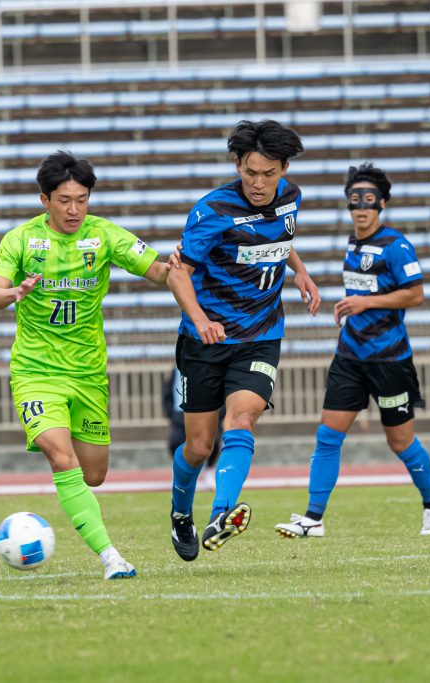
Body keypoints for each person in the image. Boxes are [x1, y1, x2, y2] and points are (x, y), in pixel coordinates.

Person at [0, 151, 172, 580]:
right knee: (60, 457)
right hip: (36, 372)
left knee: (95, 474)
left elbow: (159, 272)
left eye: (82, 200)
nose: (74, 210)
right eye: (64, 200)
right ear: (44, 200)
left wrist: (179, 265)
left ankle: (81, 505)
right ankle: (111, 557)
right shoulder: (20, 240)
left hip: (87, 373)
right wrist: (14, 292)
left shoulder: (104, 235)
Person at [166, 119, 321, 561]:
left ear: (284, 170)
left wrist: (300, 271)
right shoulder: (212, 210)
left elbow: (280, 237)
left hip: (261, 334)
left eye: (269, 174)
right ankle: (180, 513)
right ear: (237, 165)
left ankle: (221, 514)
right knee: (199, 446)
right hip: (205, 340)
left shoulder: (291, 198)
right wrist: (200, 320)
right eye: (250, 172)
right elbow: (178, 273)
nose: (258, 183)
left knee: (243, 418)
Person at [274, 163, 430, 539]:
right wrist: (352, 306)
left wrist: (366, 303)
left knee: (400, 442)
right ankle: (313, 518)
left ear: (382, 203)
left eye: (369, 200)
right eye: (355, 200)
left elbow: (416, 294)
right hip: (350, 357)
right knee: (328, 436)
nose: (361, 207)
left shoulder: (396, 246)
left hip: (390, 360)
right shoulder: (353, 244)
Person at [162, 366, 222, 490]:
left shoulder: (210, 367)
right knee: (174, 441)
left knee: (213, 441)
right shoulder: (176, 371)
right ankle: (180, 471)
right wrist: (171, 415)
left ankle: (209, 470)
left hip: (206, 412)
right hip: (180, 414)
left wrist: (218, 415)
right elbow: (167, 393)